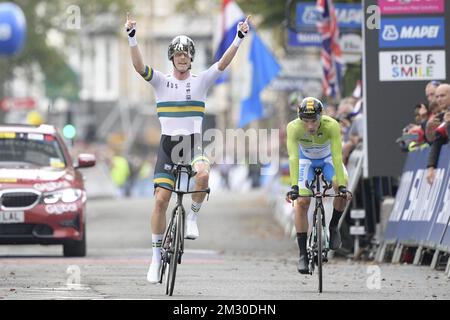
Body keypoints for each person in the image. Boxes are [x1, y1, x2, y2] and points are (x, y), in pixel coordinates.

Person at [125, 12, 251, 283]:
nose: (182, 58)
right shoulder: (161, 81)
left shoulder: (200, 81)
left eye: (186, 54)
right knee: (161, 200)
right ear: (171, 58)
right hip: (168, 145)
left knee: (203, 176)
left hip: (193, 144)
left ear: (192, 58)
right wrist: (132, 38)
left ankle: (192, 217)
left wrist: (239, 38)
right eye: (178, 54)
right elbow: (138, 67)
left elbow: (223, 63)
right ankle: (156, 258)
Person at [285, 97, 352, 274]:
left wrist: (342, 187)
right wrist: (294, 187)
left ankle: (333, 226)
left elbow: (338, 157)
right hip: (305, 161)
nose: (310, 126)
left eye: (314, 120)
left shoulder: (332, 125)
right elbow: (293, 158)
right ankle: (302, 254)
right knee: (302, 201)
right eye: (305, 121)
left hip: (328, 159)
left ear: (321, 116)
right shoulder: (293, 127)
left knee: (341, 184)